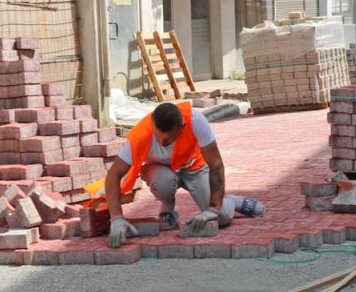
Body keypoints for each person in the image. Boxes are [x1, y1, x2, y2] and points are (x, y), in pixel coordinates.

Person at [95, 102, 264, 247]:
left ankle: (232, 201)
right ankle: (167, 209)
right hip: (161, 171)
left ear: (181, 127)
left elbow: (216, 164)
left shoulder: (195, 120)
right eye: (157, 137)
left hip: (194, 168)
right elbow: (113, 175)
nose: (161, 143)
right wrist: (116, 218)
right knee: (164, 183)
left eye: (167, 140)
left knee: (222, 218)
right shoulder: (140, 135)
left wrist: (214, 207)